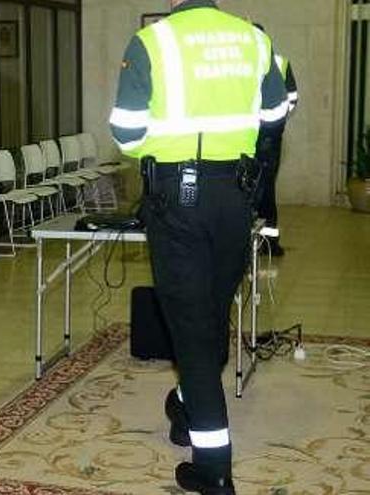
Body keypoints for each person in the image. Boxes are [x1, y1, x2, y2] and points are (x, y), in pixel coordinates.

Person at [109, 1, 288, 492]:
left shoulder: (153, 40)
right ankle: (185, 403)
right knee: (210, 315)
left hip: (177, 200)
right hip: (235, 197)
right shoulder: (253, 38)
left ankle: (214, 469)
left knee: (191, 331)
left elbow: (125, 133)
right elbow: (276, 110)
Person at [254, 24, 298, 257]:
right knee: (264, 187)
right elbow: (291, 100)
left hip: (259, 136)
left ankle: (266, 240)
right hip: (269, 135)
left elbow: (291, 98)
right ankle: (267, 241)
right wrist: (276, 123)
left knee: (260, 187)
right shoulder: (278, 62)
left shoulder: (277, 62)